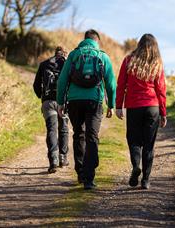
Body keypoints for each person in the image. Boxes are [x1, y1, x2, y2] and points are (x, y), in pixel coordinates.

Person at [56, 29, 116, 190]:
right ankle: (89, 177)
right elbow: (110, 82)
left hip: (74, 101)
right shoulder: (102, 56)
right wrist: (111, 104)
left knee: (79, 134)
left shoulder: (74, 55)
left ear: (84, 40)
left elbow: (62, 79)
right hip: (94, 100)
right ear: (97, 41)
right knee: (92, 136)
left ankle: (81, 173)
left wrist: (60, 102)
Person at [115, 34, 167, 190]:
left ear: (139, 44)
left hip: (134, 107)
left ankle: (136, 165)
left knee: (134, 140)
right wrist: (163, 113)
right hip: (152, 107)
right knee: (149, 145)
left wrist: (118, 106)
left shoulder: (128, 60)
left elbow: (121, 84)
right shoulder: (157, 63)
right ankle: (145, 180)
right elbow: (161, 90)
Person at [33, 46, 69, 174]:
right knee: (63, 129)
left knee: (51, 129)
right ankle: (62, 158)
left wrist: (42, 97)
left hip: (48, 102)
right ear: (65, 53)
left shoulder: (44, 64)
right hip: (64, 103)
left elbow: (36, 85)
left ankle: (53, 160)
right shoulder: (68, 64)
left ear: (55, 53)